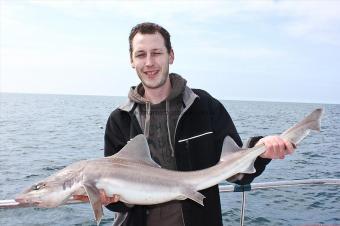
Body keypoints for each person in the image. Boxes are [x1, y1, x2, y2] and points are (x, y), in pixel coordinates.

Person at [102, 22, 295, 226]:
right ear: (132, 61)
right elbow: (119, 205)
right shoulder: (120, 120)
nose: (149, 62)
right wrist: (108, 199)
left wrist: (260, 150)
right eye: (141, 54)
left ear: (171, 55)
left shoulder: (204, 107)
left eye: (156, 53)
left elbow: (238, 173)